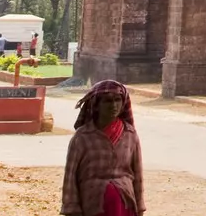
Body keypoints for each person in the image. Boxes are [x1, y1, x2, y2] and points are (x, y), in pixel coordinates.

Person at [60, 80, 145, 216]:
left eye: (117, 100)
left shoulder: (130, 134)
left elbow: (138, 173)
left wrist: (140, 207)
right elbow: (70, 176)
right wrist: (71, 208)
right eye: (107, 101)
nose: (113, 105)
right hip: (91, 205)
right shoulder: (82, 137)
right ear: (96, 105)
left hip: (124, 204)